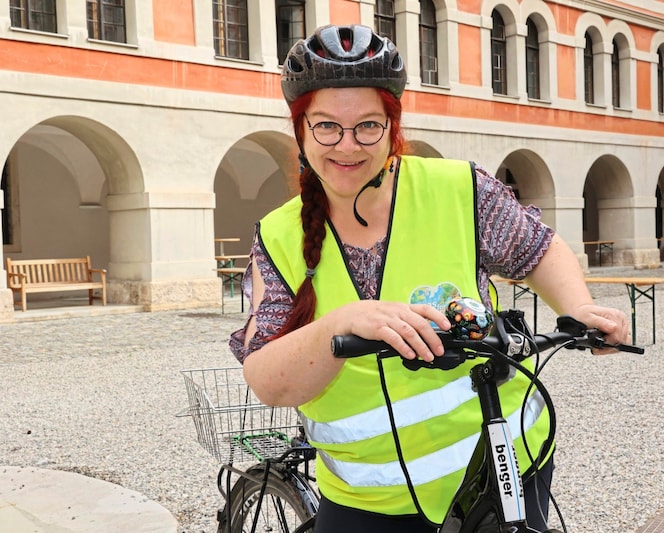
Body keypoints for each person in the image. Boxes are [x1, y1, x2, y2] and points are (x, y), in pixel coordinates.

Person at [230, 23, 630, 533]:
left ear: (393, 126)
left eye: (368, 126)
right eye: (327, 126)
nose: (347, 146)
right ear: (301, 130)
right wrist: (347, 322)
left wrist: (577, 308)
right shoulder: (280, 235)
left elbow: (538, 248)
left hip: (499, 467)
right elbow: (268, 380)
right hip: (367, 499)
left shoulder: (458, 189)